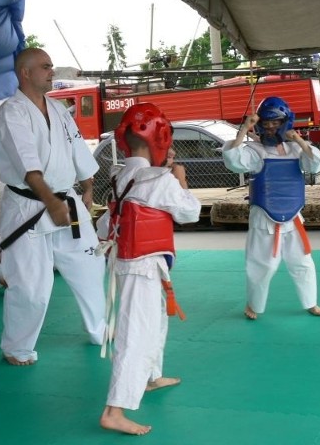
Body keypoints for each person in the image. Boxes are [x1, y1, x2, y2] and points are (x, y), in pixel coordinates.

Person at [0, 47, 106, 366]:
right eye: (45, 66)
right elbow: (27, 165)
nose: (52, 71)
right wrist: (51, 201)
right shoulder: (10, 113)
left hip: (66, 203)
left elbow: (77, 152)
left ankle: (100, 329)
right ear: (25, 73)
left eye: (52, 66)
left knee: (90, 266)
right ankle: (17, 347)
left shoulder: (58, 110)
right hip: (30, 208)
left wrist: (88, 189)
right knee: (31, 285)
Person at [95, 103, 201, 435]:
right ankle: (114, 410)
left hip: (131, 263)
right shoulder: (160, 180)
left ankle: (151, 377)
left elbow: (104, 224)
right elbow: (190, 213)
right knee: (135, 335)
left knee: (154, 322)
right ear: (161, 140)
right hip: (141, 266)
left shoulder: (119, 176)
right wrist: (181, 180)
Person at [222, 97, 320, 320]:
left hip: (293, 216)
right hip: (264, 216)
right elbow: (233, 160)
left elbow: (316, 164)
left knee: (303, 262)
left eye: (275, 123)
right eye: (266, 124)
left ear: (286, 122)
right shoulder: (254, 150)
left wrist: (298, 139)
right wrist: (244, 129)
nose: (271, 128)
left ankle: (311, 302)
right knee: (263, 264)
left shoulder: (295, 150)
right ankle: (254, 304)